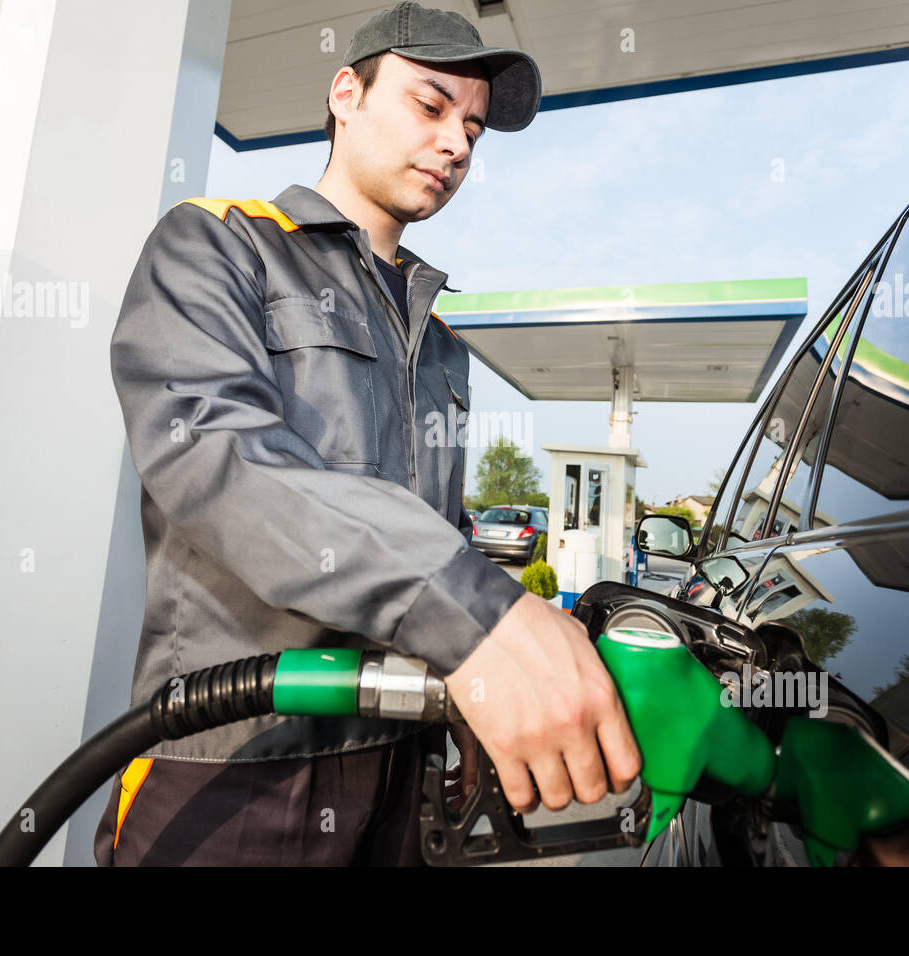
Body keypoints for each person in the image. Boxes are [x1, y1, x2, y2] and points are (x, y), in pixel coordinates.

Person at [93, 1, 641, 866]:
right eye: (431, 107)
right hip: (235, 764)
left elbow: (433, 522)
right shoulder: (218, 247)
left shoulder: (445, 345)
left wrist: (468, 708)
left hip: (399, 768)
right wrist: (477, 615)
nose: (458, 144)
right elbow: (218, 454)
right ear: (347, 93)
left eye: (472, 128)